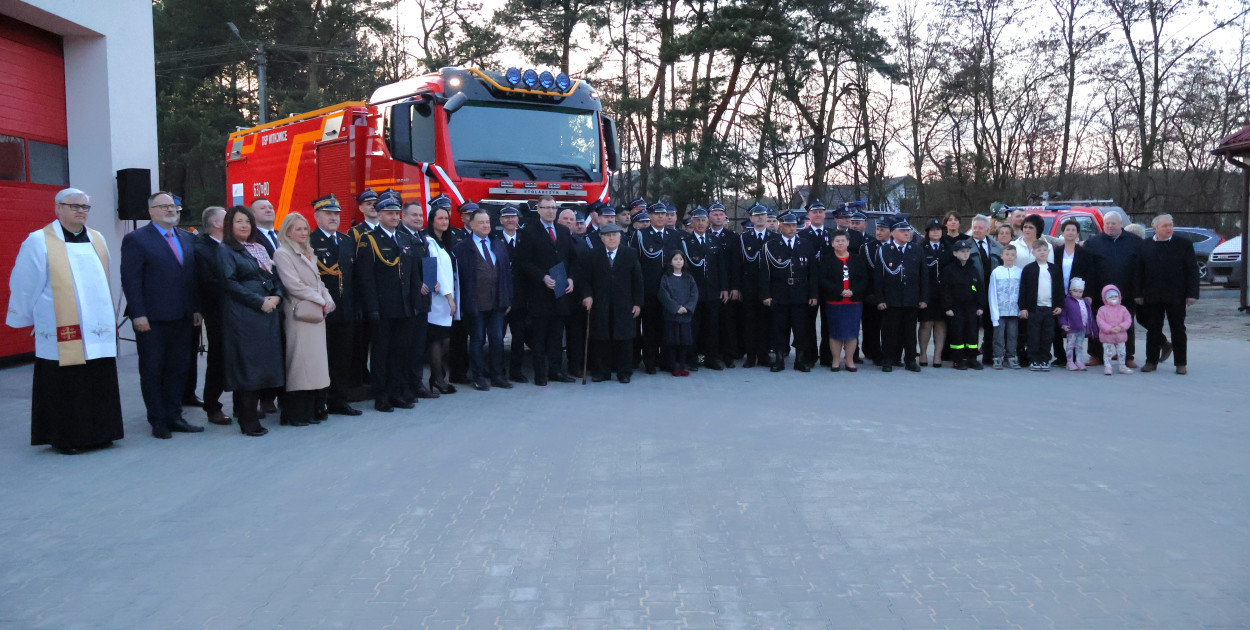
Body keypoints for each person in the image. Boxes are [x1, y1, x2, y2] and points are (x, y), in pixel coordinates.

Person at [6, 188, 124, 454]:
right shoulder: (39, 241)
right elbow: (25, 282)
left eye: (85, 207)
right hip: (61, 325)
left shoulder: (97, 239)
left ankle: (102, 432)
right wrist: (24, 315)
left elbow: (104, 280)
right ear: (57, 208)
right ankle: (66, 438)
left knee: (97, 378)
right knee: (66, 382)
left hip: (95, 326)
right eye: (74, 206)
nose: (80, 211)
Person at [121, 191, 204, 439]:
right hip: (152, 319)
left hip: (182, 316)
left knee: (178, 368)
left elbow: (192, 278)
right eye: (164, 206)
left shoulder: (187, 239)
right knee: (153, 369)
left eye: (174, 206)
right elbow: (131, 280)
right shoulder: (136, 239)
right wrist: (138, 314)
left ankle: (174, 415)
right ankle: (158, 420)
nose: (171, 210)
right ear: (151, 211)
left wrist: (196, 307)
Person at [217, 205, 284, 436]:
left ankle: (254, 413)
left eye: (247, 221)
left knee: (263, 365)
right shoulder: (226, 250)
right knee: (248, 368)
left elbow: (273, 277)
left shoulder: (258, 248)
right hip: (244, 316)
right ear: (229, 226)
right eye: (238, 221)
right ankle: (247, 420)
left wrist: (277, 296)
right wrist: (259, 302)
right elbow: (229, 283)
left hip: (266, 315)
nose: (244, 225)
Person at [272, 211, 334, 425]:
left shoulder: (308, 252)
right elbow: (293, 285)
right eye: (298, 228)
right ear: (287, 230)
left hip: (315, 314)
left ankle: (311, 409)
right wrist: (320, 299)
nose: (303, 232)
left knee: (314, 365)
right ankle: (295, 413)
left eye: (305, 229)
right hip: (299, 315)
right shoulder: (283, 253)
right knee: (300, 364)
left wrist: (327, 298)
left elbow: (319, 282)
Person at [358, 195, 417, 412]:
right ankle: (381, 396)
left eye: (396, 213)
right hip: (382, 308)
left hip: (403, 306)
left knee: (399, 352)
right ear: (380, 214)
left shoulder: (403, 238)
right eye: (389, 213)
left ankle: (396, 392)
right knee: (381, 354)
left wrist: (413, 302)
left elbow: (411, 276)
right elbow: (366, 278)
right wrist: (372, 307)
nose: (394, 217)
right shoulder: (369, 239)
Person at [309, 195, 363, 418]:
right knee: (322, 359)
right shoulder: (310, 241)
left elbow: (354, 277)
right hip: (322, 310)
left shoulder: (346, 240)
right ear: (317, 216)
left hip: (346, 309)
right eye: (328, 214)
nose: (333, 218)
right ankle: (319, 402)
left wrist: (357, 305)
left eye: (336, 214)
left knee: (342, 358)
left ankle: (339, 400)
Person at [516, 196, 578, 385]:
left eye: (553, 207)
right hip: (539, 293)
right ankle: (540, 374)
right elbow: (523, 262)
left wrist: (571, 278)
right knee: (539, 336)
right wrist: (542, 276)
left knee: (557, 336)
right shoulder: (529, 232)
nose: (551, 211)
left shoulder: (564, 232)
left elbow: (573, 259)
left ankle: (556, 371)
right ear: (539, 210)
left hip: (560, 291)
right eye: (546, 207)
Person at [454, 208, 514, 391]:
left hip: (497, 302)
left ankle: (497, 376)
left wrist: (508, 299)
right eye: (481, 222)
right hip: (475, 303)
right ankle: (478, 376)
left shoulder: (498, 244)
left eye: (487, 222)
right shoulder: (461, 247)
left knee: (497, 339)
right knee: (477, 340)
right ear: (471, 225)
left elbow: (506, 274)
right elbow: (459, 278)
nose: (486, 225)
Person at [1135, 214, 1199, 374]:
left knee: (1178, 329)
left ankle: (1180, 363)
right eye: (1165, 226)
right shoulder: (1144, 246)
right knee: (1153, 329)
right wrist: (1138, 293)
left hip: (1176, 295)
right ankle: (1151, 361)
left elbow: (1192, 270)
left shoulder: (1183, 245)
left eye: (1170, 225)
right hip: (1152, 294)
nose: (1169, 228)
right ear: (1154, 227)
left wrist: (1192, 294)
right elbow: (1138, 272)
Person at [580, 223, 643, 383]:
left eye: (615, 235)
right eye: (608, 235)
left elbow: (637, 281)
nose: (611, 238)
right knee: (601, 338)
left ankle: (624, 372)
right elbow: (585, 280)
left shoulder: (630, 253)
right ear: (602, 238)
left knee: (624, 339)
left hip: (624, 304)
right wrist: (587, 295)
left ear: (620, 237)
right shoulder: (592, 255)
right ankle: (602, 372)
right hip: (600, 304)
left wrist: (637, 303)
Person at [1083, 210, 1142, 368]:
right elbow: (1088, 269)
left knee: (1126, 324)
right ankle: (1096, 355)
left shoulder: (1135, 242)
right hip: (1099, 292)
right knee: (1098, 323)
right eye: (1106, 223)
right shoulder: (1093, 243)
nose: (1110, 226)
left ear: (1121, 224)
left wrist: (1138, 292)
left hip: (1127, 292)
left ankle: (1128, 356)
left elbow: (1140, 269)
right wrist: (1088, 293)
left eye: (1113, 223)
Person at [761, 212, 818, 372]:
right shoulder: (771, 245)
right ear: (781, 226)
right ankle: (779, 359)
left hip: (800, 293)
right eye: (788, 225)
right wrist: (766, 295)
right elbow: (765, 273)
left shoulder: (805, 244)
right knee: (779, 328)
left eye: (794, 225)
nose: (792, 228)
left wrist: (813, 294)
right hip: (779, 292)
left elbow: (812, 272)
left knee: (801, 328)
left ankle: (800, 359)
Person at [676, 207, 729, 370]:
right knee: (693, 326)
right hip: (694, 292)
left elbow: (722, 267)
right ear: (692, 223)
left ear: (708, 222)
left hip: (713, 291)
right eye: (697, 220)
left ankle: (711, 357)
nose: (700, 223)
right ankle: (692, 358)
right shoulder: (685, 242)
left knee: (712, 326)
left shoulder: (715, 241)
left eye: (703, 220)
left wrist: (724, 288)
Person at [873, 217, 928, 372]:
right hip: (891, 299)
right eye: (903, 231)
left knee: (909, 332)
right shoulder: (884, 250)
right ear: (893, 233)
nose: (907, 233)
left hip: (911, 298)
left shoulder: (916, 249)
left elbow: (923, 275)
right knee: (889, 331)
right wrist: (880, 299)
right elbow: (878, 277)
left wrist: (923, 298)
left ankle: (910, 359)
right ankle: (888, 359)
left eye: (908, 230)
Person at [193, 206, 231, 425]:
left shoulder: (233, 245)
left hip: (237, 310)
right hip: (217, 311)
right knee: (218, 357)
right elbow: (208, 282)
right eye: (227, 218)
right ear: (217, 224)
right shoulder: (202, 248)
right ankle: (212, 405)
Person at [398, 201, 438, 401]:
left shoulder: (421, 237)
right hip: (409, 301)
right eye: (414, 215)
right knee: (407, 346)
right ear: (403, 217)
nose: (418, 218)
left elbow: (427, 263)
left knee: (418, 346)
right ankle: (405, 386)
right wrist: (417, 284)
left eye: (420, 215)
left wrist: (432, 282)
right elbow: (404, 270)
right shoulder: (400, 237)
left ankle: (417, 383)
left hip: (423, 300)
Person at [248, 196, 282, 415]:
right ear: (252, 215)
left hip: (284, 299)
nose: (269, 209)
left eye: (271, 206)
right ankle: (261, 399)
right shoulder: (251, 238)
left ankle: (276, 395)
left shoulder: (281, 235)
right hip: (264, 301)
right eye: (263, 207)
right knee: (262, 352)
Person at [818, 230, 869, 372]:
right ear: (833, 244)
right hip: (835, 302)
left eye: (843, 241)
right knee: (835, 332)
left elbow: (864, 279)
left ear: (848, 242)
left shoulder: (857, 259)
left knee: (852, 333)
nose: (840, 243)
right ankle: (835, 360)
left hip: (853, 302)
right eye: (837, 241)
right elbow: (823, 280)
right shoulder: (826, 260)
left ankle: (850, 361)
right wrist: (839, 291)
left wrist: (853, 291)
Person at [348, 188, 381, 397]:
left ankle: (375, 377)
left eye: (375, 203)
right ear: (360, 207)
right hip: (364, 295)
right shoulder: (355, 233)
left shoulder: (388, 229)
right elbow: (354, 269)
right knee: (361, 341)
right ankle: (359, 377)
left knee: (379, 340)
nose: (372, 206)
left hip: (384, 295)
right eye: (367, 203)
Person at [632, 202, 670, 373]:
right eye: (656, 214)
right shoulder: (641, 235)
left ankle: (666, 360)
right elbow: (635, 265)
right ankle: (650, 361)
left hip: (670, 291)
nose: (661, 217)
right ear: (650, 216)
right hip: (650, 290)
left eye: (663, 214)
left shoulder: (674, 235)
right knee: (650, 328)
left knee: (667, 327)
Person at [425, 203, 459, 393]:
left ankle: (438, 377)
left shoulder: (443, 242)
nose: (444, 221)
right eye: (440, 218)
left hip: (447, 301)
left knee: (443, 340)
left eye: (446, 218)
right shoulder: (429, 242)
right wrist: (449, 297)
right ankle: (437, 379)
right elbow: (434, 273)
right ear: (432, 221)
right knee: (437, 340)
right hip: (438, 301)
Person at [1018, 240, 1064, 371]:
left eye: (1044, 250)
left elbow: (1060, 288)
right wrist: (1023, 307)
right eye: (1039, 250)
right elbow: (1023, 289)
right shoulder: (1029, 269)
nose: (1042, 253)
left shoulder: (1054, 269)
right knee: (1033, 335)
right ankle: (1034, 360)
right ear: (1034, 253)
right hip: (1034, 309)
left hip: (1050, 309)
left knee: (1047, 336)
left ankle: (1044, 359)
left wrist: (1060, 305)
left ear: (1048, 252)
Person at [941, 238, 986, 370]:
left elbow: (979, 289)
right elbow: (945, 290)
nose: (965, 254)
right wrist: (947, 307)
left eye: (967, 251)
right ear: (955, 253)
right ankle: (958, 359)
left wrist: (980, 306)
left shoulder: (973, 269)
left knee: (972, 333)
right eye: (962, 251)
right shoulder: (949, 270)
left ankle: (972, 358)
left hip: (971, 307)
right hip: (956, 308)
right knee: (957, 334)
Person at [497, 204, 529, 383]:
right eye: (507, 217)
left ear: (518, 220)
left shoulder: (525, 239)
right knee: (498, 337)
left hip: (520, 297)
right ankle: (499, 371)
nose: (510, 220)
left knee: (519, 337)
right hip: (501, 297)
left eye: (513, 217)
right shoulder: (494, 240)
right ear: (501, 220)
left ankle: (516, 371)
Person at [708, 201, 742, 367]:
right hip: (708, 288)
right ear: (709, 217)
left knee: (728, 323)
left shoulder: (733, 237)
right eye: (715, 214)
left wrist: (733, 287)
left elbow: (736, 265)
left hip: (727, 287)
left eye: (721, 214)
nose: (718, 217)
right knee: (710, 324)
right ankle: (709, 355)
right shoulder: (704, 235)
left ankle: (728, 356)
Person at [738, 204, 773, 368]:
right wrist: (737, 288)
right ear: (751, 218)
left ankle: (764, 355)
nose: (760, 218)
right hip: (749, 287)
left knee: (766, 323)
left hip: (768, 288)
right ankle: (751, 356)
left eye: (763, 215)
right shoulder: (744, 239)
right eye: (756, 215)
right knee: (749, 323)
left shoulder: (774, 238)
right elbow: (738, 265)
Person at [561, 208, 593, 378]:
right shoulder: (554, 240)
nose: (568, 222)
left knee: (576, 334)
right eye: (565, 219)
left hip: (576, 296)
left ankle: (575, 366)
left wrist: (586, 294)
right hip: (557, 295)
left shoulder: (581, 243)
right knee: (555, 334)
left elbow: (585, 270)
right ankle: (554, 367)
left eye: (571, 220)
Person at [658, 250, 699, 377]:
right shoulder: (666, 278)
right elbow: (663, 295)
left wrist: (687, 307)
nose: (678, 261)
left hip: (685, 316)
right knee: (672, 342)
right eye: (675, 259)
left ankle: (682, 366)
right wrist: (676, 308)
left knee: (684, 342)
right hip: (672, 316)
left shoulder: (689, 278)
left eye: (680, 259)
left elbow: (694, 294)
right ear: (670, 261)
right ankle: (673, 367)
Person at [860, 219, 893, 366]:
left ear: (891, 232)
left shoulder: (894, 247)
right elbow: (863, 273)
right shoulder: (867, 248)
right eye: (877, 229)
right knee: (871, 326)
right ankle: (872, 351)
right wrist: (868, 293)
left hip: (890, 293)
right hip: (871, 293)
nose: (878, 232)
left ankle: (889, 352)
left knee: (888, 326)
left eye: (882, 229)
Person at [918, 221, 949, 367]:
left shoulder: (947, 248)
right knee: (926, 324)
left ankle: (937, 356)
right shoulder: (921, 248)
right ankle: (923, 354)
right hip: (927, 292)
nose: (936, 232)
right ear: (927, 233)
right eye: (933, 230)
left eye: (939, 230)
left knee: (941, 324)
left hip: (943, 293)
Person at [988, 244, 1023, 369]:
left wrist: (1021, 309)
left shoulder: (1019, 272)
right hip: (1000, 311)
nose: (1010, 257)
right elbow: (992, 293)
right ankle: (998, 357)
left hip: (1014, 311)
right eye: (1007, 254)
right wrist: (994, 313)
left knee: (1013, 335)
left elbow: (1022, 292)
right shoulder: (996, 272)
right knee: (999, 335)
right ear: (1002, 256)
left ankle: (1011, 356)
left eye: (1012, 255)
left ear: (1015, 257)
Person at [1057, 277, 1095, 371]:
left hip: (1082, 328)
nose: (1078, 294)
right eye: (1075, 291)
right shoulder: (1067, 301)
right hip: (1071, 328)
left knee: (1079, 345)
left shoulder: (1084, 301)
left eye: (1080, 291)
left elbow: (1088, 314)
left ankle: (1079, 361)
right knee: (1070, 345)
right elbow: (1062, 315)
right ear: (1070, 290)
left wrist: (1089, 326)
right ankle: (1069, 362)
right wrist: (1063, 324)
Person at [1096, 284, 1135, 375]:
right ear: (1105, 298)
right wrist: (1109, 329)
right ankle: (1108, 366)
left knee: (1122, 352)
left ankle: (1122, 365)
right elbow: (1100, 321)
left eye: (1115, 296)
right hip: (1107, 335)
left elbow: (1128, 319)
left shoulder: (1123, 309)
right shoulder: (1102, 310)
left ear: (1119, 297)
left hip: (1120, 334)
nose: (1113, 298)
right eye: (1110, 297)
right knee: (1108, 352)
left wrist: (1121, 327)